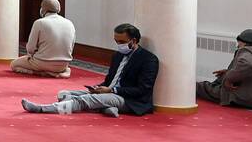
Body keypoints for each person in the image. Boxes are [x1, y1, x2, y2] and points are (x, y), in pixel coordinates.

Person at [21, 23, 158, 117]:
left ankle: (42, 109)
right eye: (116, 41)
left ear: (133, 41)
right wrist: (99, 88)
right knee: (63, 94)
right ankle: (105, 107)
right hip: (110, 91)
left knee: (85, 100)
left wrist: (112, 90)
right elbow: (110, 80)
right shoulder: (118, 55)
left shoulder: (148, 59)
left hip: (129, 100)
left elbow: (142, 90)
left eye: (121, 42)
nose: (118, 45)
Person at [197, 29, 252, 109]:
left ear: (245, 42)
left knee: (200, 87)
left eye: (239, 43)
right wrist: (228, 72)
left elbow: (248, 65)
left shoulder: (247, 51)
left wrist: (229, 79)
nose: (237, 46)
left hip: (243, 98)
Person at [11, 0, 75, 78]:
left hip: (41, 63)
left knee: (14, 64)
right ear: (59, 9)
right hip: (63, 64)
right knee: (65, 68)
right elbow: (71, 46)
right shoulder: (70, 23)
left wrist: (32, 56)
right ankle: (63, 72)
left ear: (42, 9)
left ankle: (40, 73)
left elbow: (30, 48)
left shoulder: (39, 22)